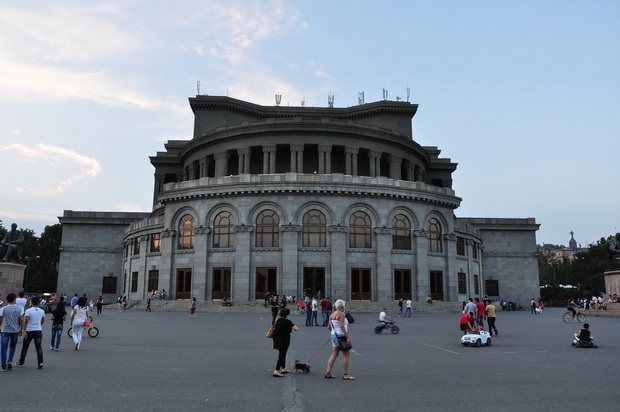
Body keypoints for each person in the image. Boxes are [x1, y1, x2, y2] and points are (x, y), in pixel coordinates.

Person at [325, 299, 355, 380]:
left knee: (334, 354)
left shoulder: (332, 314)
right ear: (342, 306)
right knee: (346, 354)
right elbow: (342, 326)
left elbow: (328, 327)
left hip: (334, 335)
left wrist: (334, 333)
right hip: (341, 336)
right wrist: (348, 337)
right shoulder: (341, 314)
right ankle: (345, 374)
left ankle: (328, 372)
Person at [17, 296, 45, 369]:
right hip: (38, 330)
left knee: (25, 347)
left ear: (31, 302)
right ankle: (40, 362)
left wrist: (24, 331)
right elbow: (42, 321)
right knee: (38, 347)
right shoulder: (42, 311)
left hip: (29, 330)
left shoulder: (28, 311)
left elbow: (26, 321)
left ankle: (21, 362)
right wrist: (38, 325)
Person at [0, 293, 24, 371]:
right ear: (14, 299)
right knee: (12, 346)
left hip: (5, 330)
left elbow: (0, 320)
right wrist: (21, 329)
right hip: (15, 330)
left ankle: (3, 366)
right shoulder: (20, 308)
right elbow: (21, 319)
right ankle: (9, 361)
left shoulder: (3, 308)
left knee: (4, 348)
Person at [271, 307, 298, 377]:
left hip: (277, 339)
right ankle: (276, 370)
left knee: (282, 353)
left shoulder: (277, 320)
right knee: (282, 355)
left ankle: (284, 368)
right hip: (284, 340)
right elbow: (296, 328)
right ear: (287, 315)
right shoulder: (287, 321)